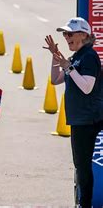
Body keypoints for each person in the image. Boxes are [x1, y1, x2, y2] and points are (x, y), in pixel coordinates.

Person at [43, 17, 103, 207]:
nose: (66, 37)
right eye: (65, 34)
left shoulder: (88, 56)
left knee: (83, 167)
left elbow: (87, 87)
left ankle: (84, 204)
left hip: (88, 120)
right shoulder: (77, 57)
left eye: (70, 33)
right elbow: (55, 79)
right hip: (79, 119)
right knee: (81, 166)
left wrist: (68, 67)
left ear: (84, 35)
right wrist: (55, 56)